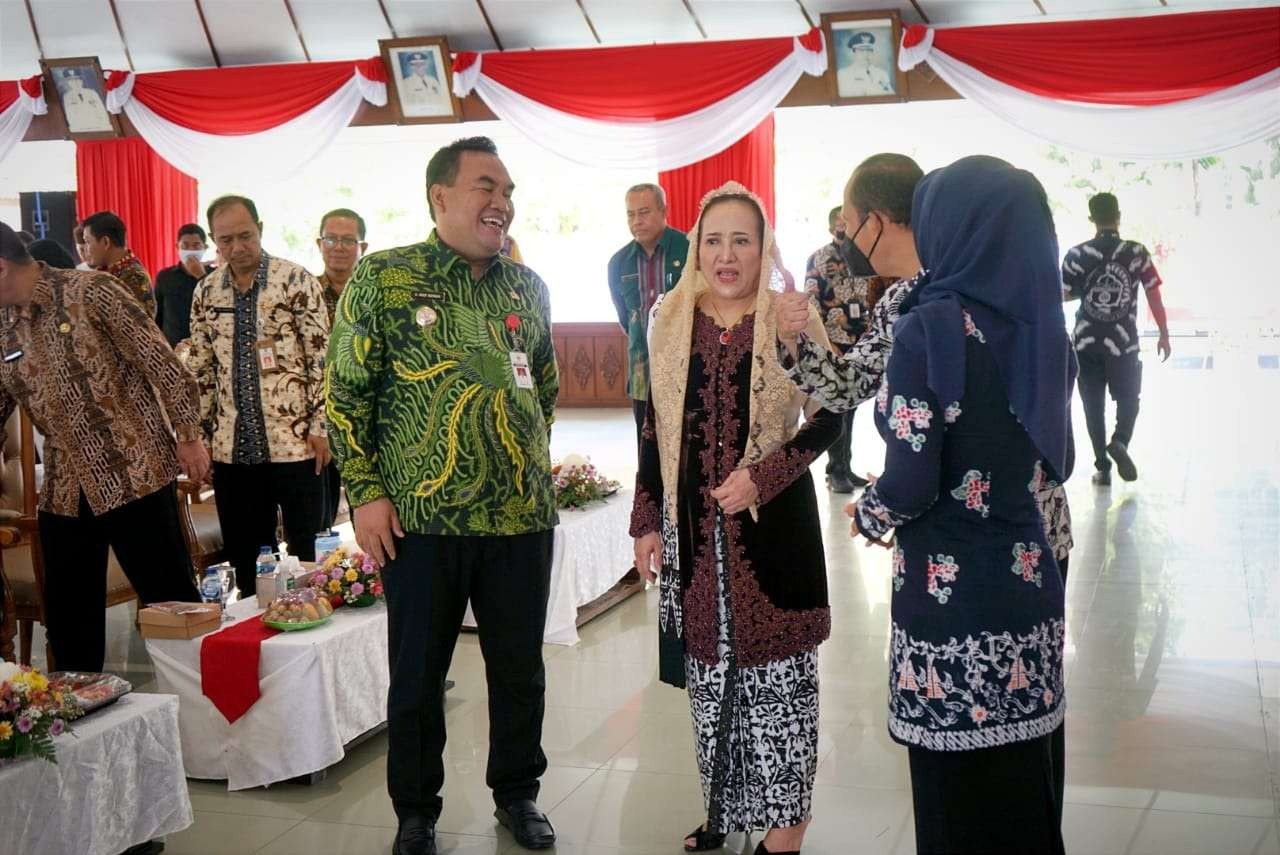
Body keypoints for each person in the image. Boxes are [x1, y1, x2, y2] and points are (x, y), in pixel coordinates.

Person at [327, 137, 560, 855]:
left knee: (520, 670)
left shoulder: (528, 287)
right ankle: (415, 810)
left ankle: (518, 793)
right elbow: (346, 394)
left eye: (509, 190)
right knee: (418, 676)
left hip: (520, 520)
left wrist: (515, 458)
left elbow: (543, 388)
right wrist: (366, 492)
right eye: (486, 186)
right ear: (440, 196)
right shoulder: (384, 278)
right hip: (420, 524)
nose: (502, 202)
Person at [846, 157, 1073, 854]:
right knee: (1025, 804)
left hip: (950, 624)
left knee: (959, 815)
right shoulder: (1039, 330)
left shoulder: (930, 326)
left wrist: (869, 513)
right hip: (1029, 600)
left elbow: (911, 482)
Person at [779, 151, 1077, 643]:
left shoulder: (923, 308)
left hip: (973, 536)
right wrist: (793, 346)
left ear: (874, 222)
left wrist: (894, 495)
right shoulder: (917, 298)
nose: (843, 240)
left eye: (847, 225)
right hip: (1028, 528)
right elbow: (853, 385)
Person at [631, 182, 839, 855]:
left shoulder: (790, 316)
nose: (726, 254)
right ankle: (726, 811)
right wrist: (647, 519)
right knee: (713, 685)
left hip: (773, 538)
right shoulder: (668, 318)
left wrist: (765, 475)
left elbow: (833, 412)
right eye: (713, 239)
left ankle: (787, 826)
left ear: (763, 248)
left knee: (780, 689)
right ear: (696, 247)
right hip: (695, 543)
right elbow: (651, 423)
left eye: (741, 240)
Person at [0, 222, 208, 672]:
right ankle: (87, 734)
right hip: (64, 489)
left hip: (135, 474)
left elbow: (164, 365)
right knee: (70, 625)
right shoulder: (2, 327)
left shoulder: (93, 291)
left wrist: (189, 438)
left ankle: (206, 718)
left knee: (174, 609)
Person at [187, 195, 330, 598]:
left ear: (261, 229)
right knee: (245, 556)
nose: (237, 247)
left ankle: (313, 638)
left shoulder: (295, 280)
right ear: (216, 242)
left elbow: (323, 359)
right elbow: (200, 369)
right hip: (233, 449)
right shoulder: (206, 292)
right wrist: (200, 437)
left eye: (245, 236)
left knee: (308, 551)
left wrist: (322, 426)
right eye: (226, 239)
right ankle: (255, 643)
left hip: (297, 442)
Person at [1063, 192, 1170, 486]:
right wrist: (1164, 332)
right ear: (1118, 215)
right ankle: (1120, 440)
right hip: (1123, 342)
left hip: (1085, 342)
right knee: (1128, 398)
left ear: (1091, 219)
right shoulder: (1136, 252)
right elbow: (1153, 292)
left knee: (1092, 405)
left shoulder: (1076, 254)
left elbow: (1061, 294)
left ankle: (1103, 467)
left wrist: (1086, 289)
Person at [804, 204, 886, 493]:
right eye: (839, 224)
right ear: (830, 227)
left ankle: (845, 467)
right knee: (836, 410)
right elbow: (812, 304)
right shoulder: (819, 258)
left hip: (864, 341)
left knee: (851, 411)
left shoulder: (866, 256)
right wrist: (826, 346)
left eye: (847, 223)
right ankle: (835, 470)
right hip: (835, 343)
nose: (843, 229)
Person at [608, 183, 688, 445]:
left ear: (664, 210)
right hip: (643, 369)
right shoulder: (619, 262)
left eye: (643, 212)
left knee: (686, 444)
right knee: (647, 447)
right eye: (630, 214)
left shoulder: (689, 249)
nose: (636, 221)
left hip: (686, 367)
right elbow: (625, 316)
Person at [315, 207, 368, 526]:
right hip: (320, 420)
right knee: (322, 518)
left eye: (348, 240)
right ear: (318, 243)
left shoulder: (375, 295)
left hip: (365, 414)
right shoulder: (301, 292)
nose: (338, 247)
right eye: (331, 239)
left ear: (364, 247)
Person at [80, 210, 155, 315]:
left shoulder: (134, 276)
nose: (85, 249)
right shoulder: (105, 270)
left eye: (88, 242)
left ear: (106, 242)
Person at [154, 223, 213, 347]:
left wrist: (201, 276)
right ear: (177, 247)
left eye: (196, 246)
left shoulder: (214, 276)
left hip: (206, 348)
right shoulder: (165, 277)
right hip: (173, 350)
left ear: (205, 247)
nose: (191, 251)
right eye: (185, 246)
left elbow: (217, 306)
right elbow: (157, 316)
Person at [837, 32, 893, 96]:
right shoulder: (843, 75)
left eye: (869, 50)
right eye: (861, 50)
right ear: (853, 52)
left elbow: (891, 95)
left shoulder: (882, 73)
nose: (866, 54)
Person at [58, 68, 112, 133]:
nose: (75, 83)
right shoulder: (67, 97)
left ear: (81, 81)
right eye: (71, 81)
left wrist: (105, 124)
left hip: (98, 124)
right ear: (68, 83)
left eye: (77, 79)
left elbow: (102, 111)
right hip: (80, 128)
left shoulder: (92, 93)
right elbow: (70, 116)